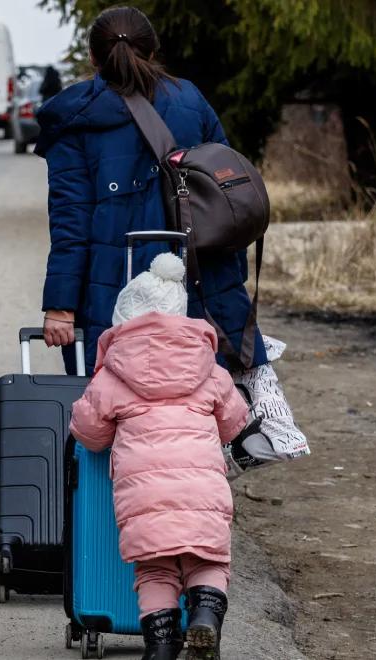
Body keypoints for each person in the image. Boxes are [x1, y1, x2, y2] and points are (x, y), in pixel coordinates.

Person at [34, 6, 306, 470]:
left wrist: (60, 305)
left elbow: (71, 220)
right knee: (194, 405)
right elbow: (225, 190)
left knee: (115, 411)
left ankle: (110, 526)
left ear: (93, 57)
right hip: (197, 278)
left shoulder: (74, 118)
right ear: (153, 50)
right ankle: (192, 509)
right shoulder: (189, 100)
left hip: (112, 291)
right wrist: (229, 280)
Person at [69, 252, 247, 660]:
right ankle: (204, 617)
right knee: (209, 560)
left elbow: (89, 433)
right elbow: (235, 423)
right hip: (202, 491)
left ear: (124, 321)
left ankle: (161, 647)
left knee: (156, 570)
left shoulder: (112, 376)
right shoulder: (209, 370)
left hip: (144, 498)